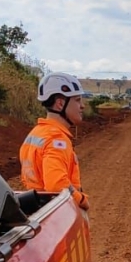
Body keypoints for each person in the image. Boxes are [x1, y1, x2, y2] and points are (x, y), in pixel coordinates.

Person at [20, 72, 90, 210]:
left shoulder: (37, 133)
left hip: (38, 210)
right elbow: (57, 186)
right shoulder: (56, 140)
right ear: (60, 104)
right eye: (77, 100)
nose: (82, 106)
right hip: (56, 212)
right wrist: (82, 201)